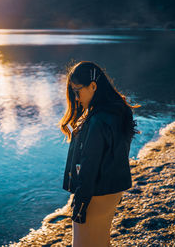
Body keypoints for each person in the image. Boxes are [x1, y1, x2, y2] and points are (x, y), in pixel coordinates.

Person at [59, 61, 141, 246]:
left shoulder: (97, 120)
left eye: (77, 91)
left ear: (93, 86)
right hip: (112, 191)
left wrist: (79, 202)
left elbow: (89, 165)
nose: (76, 98)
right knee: (101, 241)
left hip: (95, 194)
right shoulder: (119, 110)